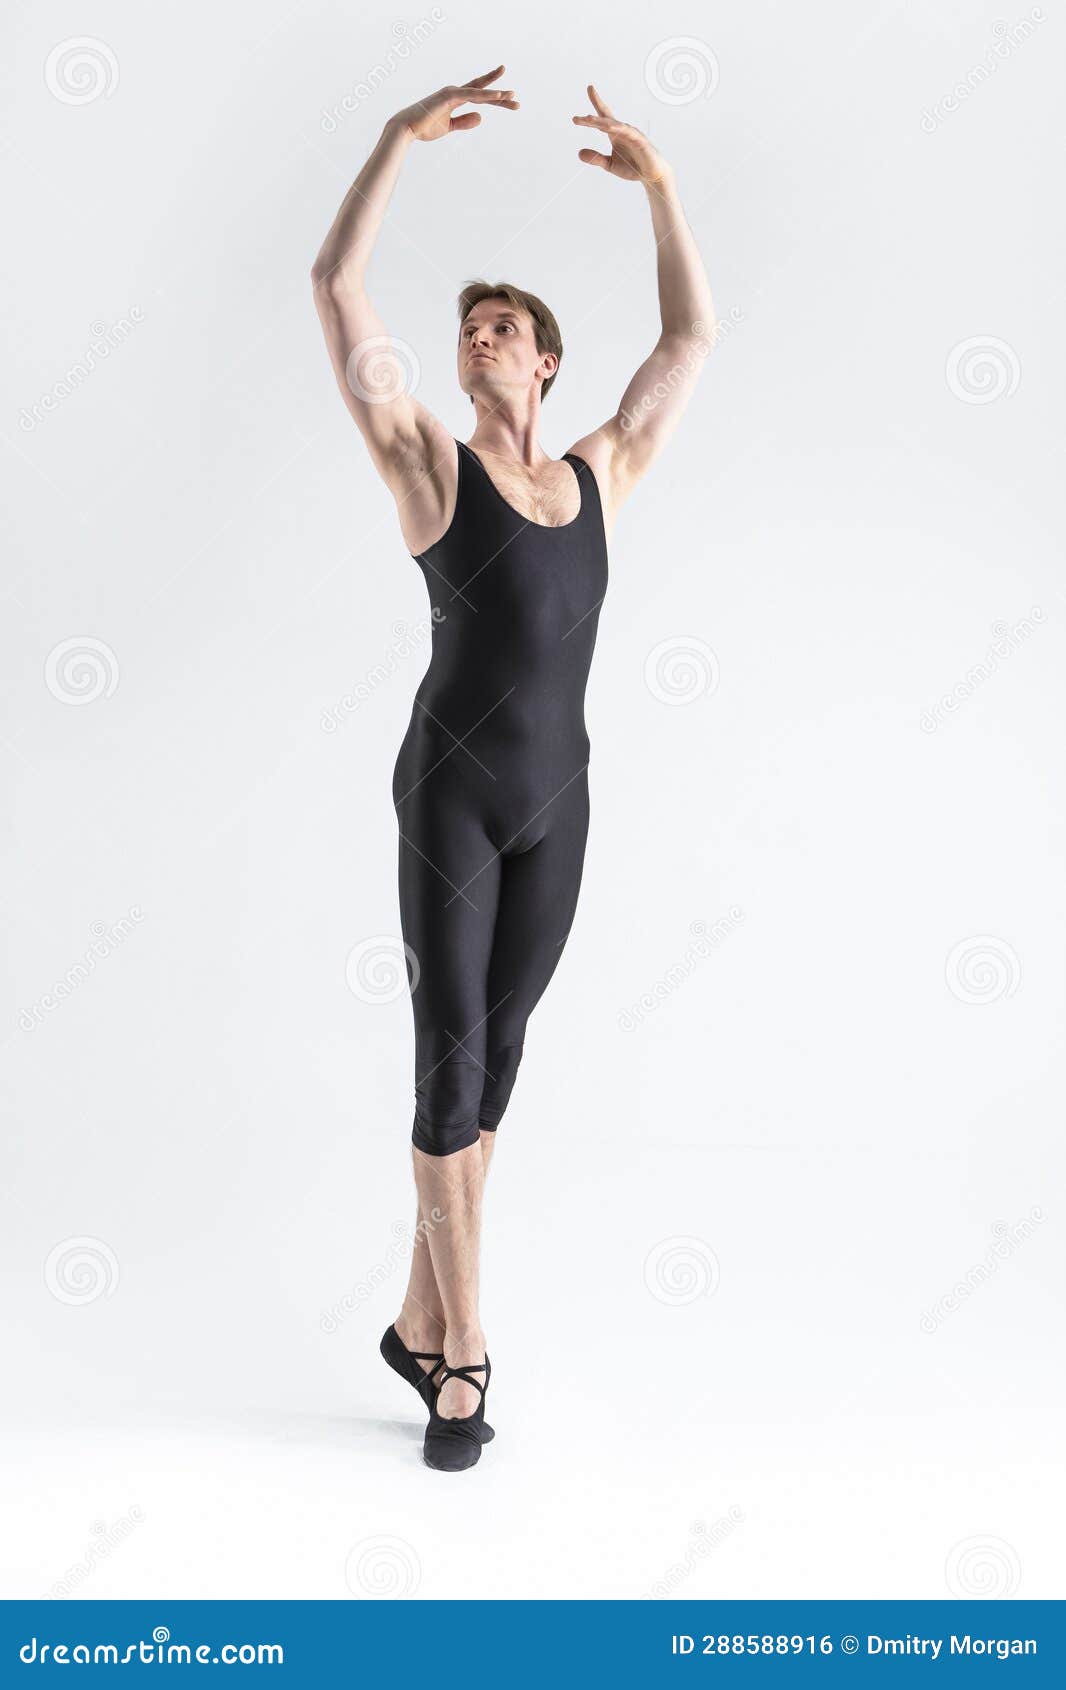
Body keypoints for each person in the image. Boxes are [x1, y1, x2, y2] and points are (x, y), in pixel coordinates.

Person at [312, 66, 714, 1469]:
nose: (479, 334)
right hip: (450, 796)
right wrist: (390, 138)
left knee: (499, 1071)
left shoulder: (603, 470)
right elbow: (334, 289)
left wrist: (659, 190)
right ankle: (464, 1362)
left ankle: (419, 1320)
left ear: (543, 361)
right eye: (468, 323)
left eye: (504, 326)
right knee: (447, 1064)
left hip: (560, 802)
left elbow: (686, 336)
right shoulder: (428, 465)